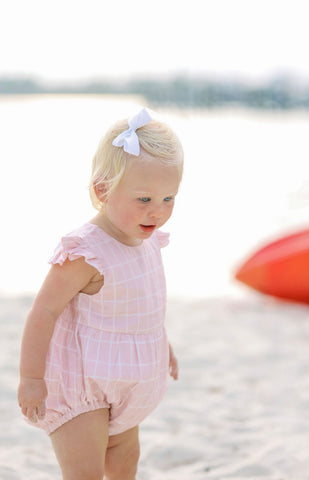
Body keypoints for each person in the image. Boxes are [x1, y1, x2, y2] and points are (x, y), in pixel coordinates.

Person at [17, 108, 183, 480]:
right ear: (102, 190)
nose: (158, 212)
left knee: (126, 462)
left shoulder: (148, 241)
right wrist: (31, 378)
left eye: (169, 198)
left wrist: (163, 346)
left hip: (131, 380)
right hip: (84, 384)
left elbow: (142, 306)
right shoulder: (86, 252)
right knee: (85, 473)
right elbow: (43, 312)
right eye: (144, 200)